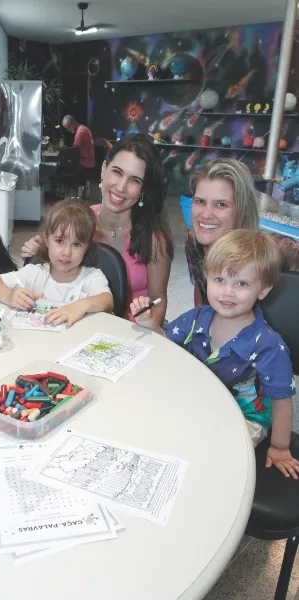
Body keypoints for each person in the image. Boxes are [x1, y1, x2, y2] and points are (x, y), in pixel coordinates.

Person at [132, 229, 299, 478]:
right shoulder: (198, 317)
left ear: (262, 290)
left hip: (244, 416)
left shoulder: (268, 346)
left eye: (241, 283)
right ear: (207, 278)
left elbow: (282, 401)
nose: (228, 292)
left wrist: (279, 447)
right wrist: (148, 323)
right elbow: (166, 344)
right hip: (201, 400)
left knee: (210, 459)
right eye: (219, 280)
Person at [21, 134, 174, 324]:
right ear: (103, 169)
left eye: (135, 180)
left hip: (130, 332)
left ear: (143, 190)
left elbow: (159, 301)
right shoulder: (78, 221)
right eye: (117, 172)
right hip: (77, 325)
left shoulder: (154, 240)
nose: (121, 186)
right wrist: (39, 251)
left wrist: (149, 327)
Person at [0, 199, 113, 328]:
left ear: (87, 247)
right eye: (60, 241)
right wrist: (9, 296)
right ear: (46, 238)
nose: (66, 253)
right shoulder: (35, 273)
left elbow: (107, 300)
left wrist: (79, 306)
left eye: (76, 244)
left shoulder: (91, 277)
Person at [186, 158, 299, 306]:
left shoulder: (272, 252)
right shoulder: (193, 240)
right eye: (200, 201)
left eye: (221, 204)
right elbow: (201, 294)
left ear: (242, 210)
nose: (206, 214)